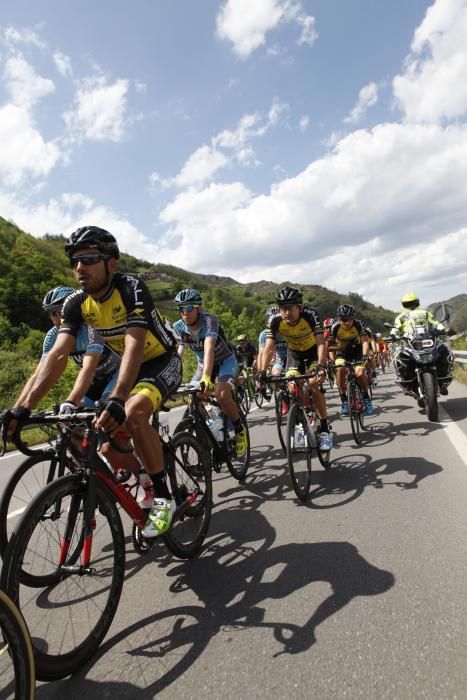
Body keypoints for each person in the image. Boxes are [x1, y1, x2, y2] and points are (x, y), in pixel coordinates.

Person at [6, 226, 182, 538]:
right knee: (104, 429)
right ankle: (134, 475)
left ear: (111, 263)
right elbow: (58, 355)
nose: (79, 267)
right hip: (135, 368)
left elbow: (134, 345)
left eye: (88, 259)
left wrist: (117, 397)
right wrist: (22, 408)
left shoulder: (132, 288)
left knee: (134, 411)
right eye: (75, 261)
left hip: (161, 360)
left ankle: (162, 496)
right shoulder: (75, 304)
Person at [14, 285, 121, 412]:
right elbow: (38, 375)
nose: (55, 319)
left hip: (118, 373)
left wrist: (71, 401)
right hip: (95, 381)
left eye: (59, 312)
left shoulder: (92, 326)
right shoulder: (52, 336)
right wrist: (16, 410)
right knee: (69, 423)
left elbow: (89, 368)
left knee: (107, 412)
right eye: (51, 314)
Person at [172, 288, 248, 456]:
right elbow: (178, 353)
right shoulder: (178, 327)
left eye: (189, 308)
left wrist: (206, 377)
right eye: (181, 309)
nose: (185, 313)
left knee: (221, 395)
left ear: (198, 308)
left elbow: (209, 348)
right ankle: (211, 434)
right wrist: (171, 378)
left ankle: (239, 429)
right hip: (203, 364)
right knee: (193, 400)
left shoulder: (209, 320)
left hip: (224, 361)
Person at [256, 286, 333, 451]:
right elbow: (269, 348)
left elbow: (321, 342)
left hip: (313, 352)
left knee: (313, 383)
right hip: (295, 354)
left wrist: (321, 364)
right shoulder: (275, 320)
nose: (286, 312)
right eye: (282, 308)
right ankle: (300, 423)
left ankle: (325, 428)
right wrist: (262, 371)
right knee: (291, 384)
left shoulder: (310, 316)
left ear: (300, 307)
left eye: (290, 308)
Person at [390, 292, 454, 395]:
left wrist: (443, 329)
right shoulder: (401, 317)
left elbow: (434, 323)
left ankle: (443, 380)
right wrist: (393, 335)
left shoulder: (425, 313)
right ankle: (407, 383)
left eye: (413, 303)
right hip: (411, 343)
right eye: (408, 304)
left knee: (443, 350)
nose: (411, 306)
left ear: (417, 303)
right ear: (404, 305)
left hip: (428, 339)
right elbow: (396, 327)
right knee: (400, 357)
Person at [328, 304, 373, 416]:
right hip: (342, 352)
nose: (347, 322)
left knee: (359, 373)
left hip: (357, 351)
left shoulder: (358, 324)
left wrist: (365, 355)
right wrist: (340, 348)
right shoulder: (335, 327)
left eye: (350, 319)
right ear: (339, 319)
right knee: (340, 369)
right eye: (344, 319)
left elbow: (364, 342)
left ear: (353, 318)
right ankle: (344, 400)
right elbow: (328, 347)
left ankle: (366, 398)